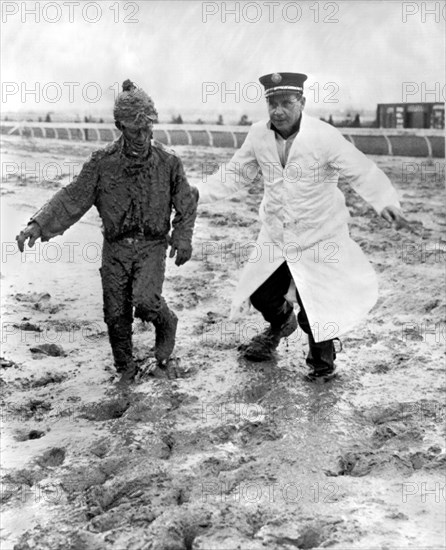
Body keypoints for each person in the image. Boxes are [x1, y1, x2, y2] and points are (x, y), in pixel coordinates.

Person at [194, 72, 411, 381]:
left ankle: (323, 362)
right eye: (272, 103)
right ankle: (281, 324)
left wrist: (386, 201)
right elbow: (235, 174)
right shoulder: (258, 135)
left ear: (303, 103)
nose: (277, 111)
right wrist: (197, 193)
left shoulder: (323, 136)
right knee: (260, 293)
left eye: (286, 102)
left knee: (317, 304)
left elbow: (361, 170)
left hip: (318, 236)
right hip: (276, 235)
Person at [16, 80, 198, 385]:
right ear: (119, 126)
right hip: (114, 249)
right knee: (115, 313)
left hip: (152, 245)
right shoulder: (102, 164)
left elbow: (187, 200)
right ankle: (125, 367)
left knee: (145, 301)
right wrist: (38, 225)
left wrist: (182, 238)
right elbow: (73, 197)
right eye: (133, 129)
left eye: (147, 128)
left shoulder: (168, 162)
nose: (141, 137)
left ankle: (167, 323)